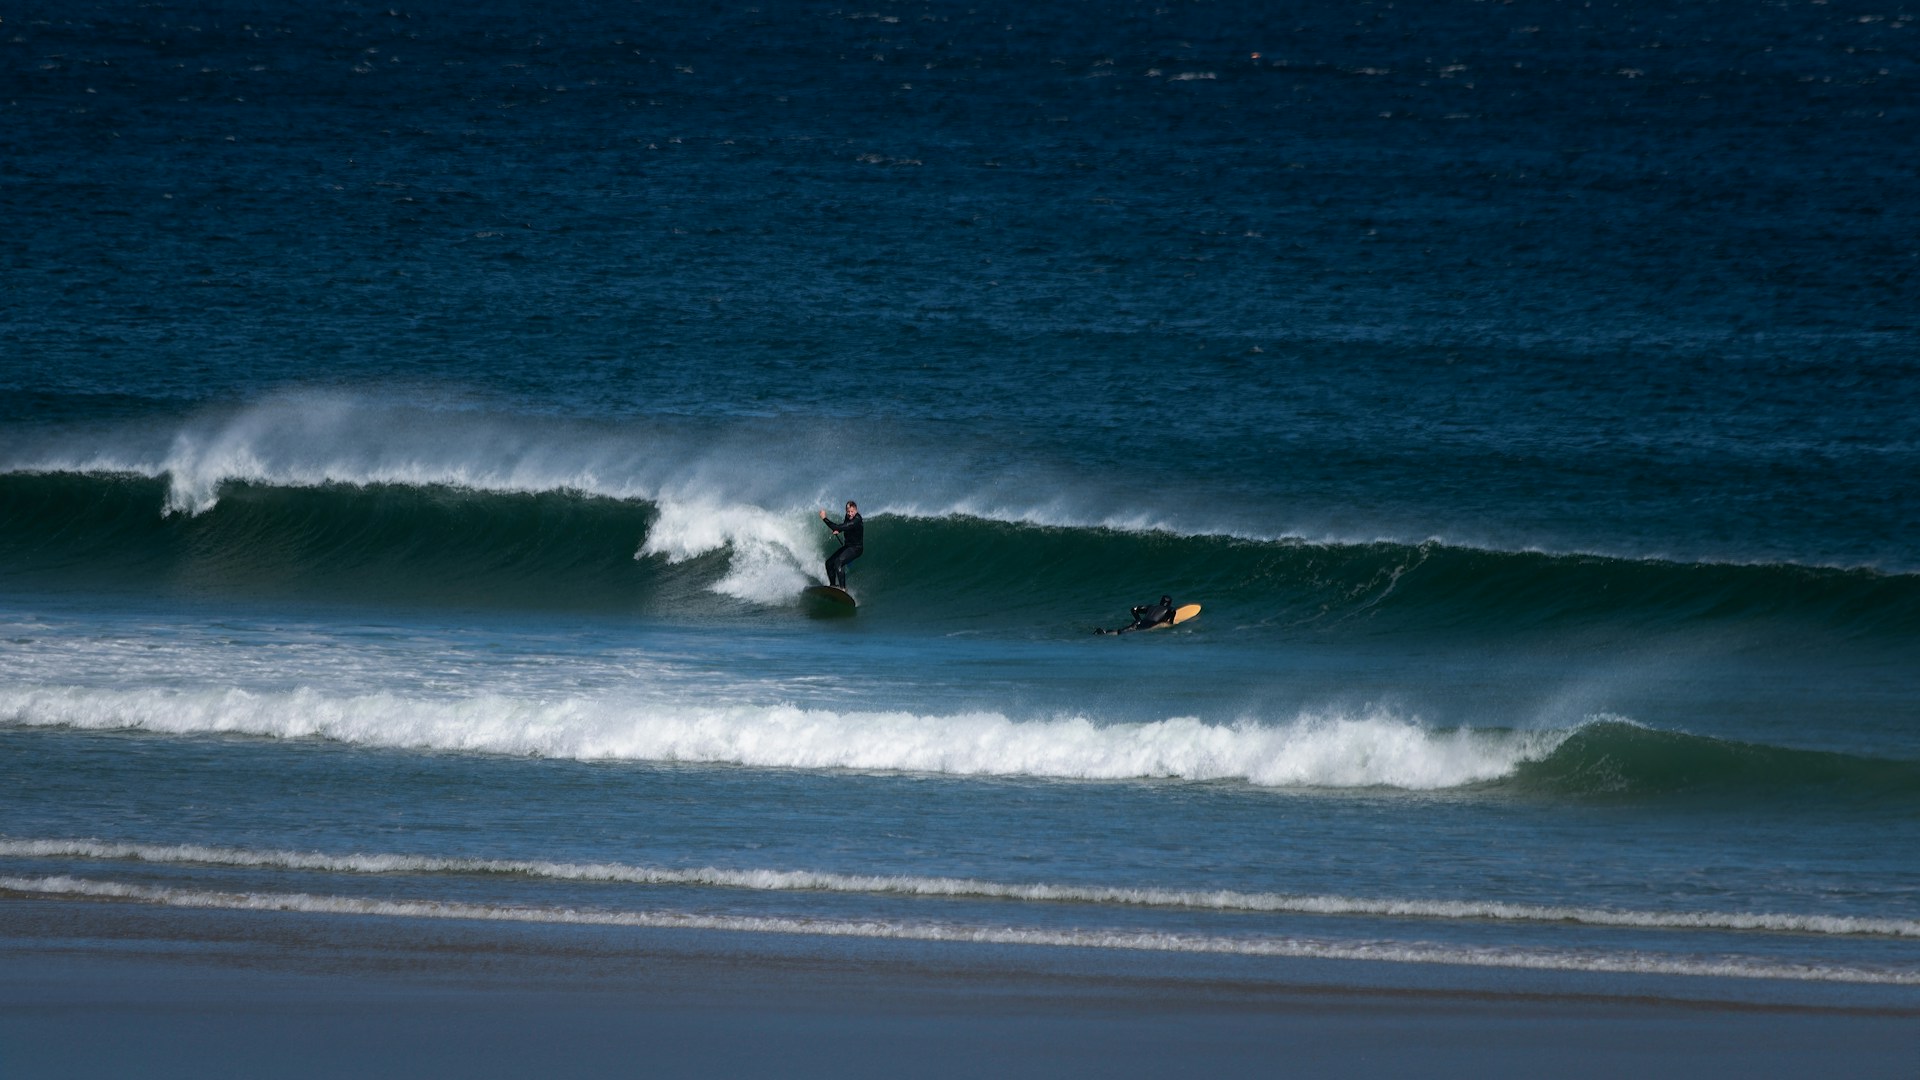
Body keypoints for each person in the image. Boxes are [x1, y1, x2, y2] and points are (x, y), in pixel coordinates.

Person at [818, 500, 864, 589]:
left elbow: (839, 526)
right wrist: (839, 530)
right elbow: (845, 526)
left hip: (856, 549)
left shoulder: (856, 520)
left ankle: (843, 589)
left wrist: (824, 518)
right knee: (829, 563)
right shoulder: (848, 517)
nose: (850, 514)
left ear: (856, 511)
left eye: (852, 512)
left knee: (838, 562)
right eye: (848, 511)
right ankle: (833, 586)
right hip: (848, 546)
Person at [1098, 595, 1177, 635]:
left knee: (1121, 631)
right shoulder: (1170, 609)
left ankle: (1104, 632)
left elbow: (1134, 609)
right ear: (1169, 603)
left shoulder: (1151, 606)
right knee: (1125, 634)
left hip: (1140, 622)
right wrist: (1170, 624)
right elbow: (1171, 621)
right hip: (1149, 625)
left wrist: (1137, 619)